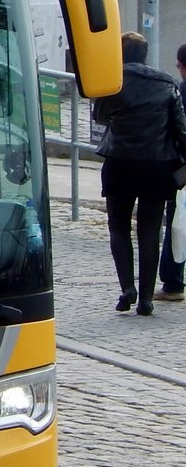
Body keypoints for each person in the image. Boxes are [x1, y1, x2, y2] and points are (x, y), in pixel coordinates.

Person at [93, 32, 186, 316]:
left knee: (118, 227)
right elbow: (180, 127)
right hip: (157, 164)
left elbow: (99, 116)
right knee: (149, 230)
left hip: (120, 161)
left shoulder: (113, 82)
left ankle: (126, 288)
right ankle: (146, 297)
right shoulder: (167, 83)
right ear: (145, 54)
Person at [159, 42, 186, 301]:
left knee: (177, 223)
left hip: (182, 171)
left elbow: (177, 131)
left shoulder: (180, 92)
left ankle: (173, 282)